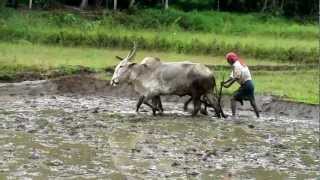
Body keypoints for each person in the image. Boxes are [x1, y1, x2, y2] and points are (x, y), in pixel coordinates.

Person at [221, 52, 260, 118]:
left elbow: (236, 77)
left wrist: (228, 86)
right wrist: (224, 82)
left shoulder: (236, 66)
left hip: (246, 85)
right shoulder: (239, 64)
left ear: (230, 60)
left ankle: (233, 116)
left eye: (228, 60)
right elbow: (232, 77)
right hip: (250, 84)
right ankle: (258, 117)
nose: (227, 62)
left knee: (233, 98)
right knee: (252, 102)